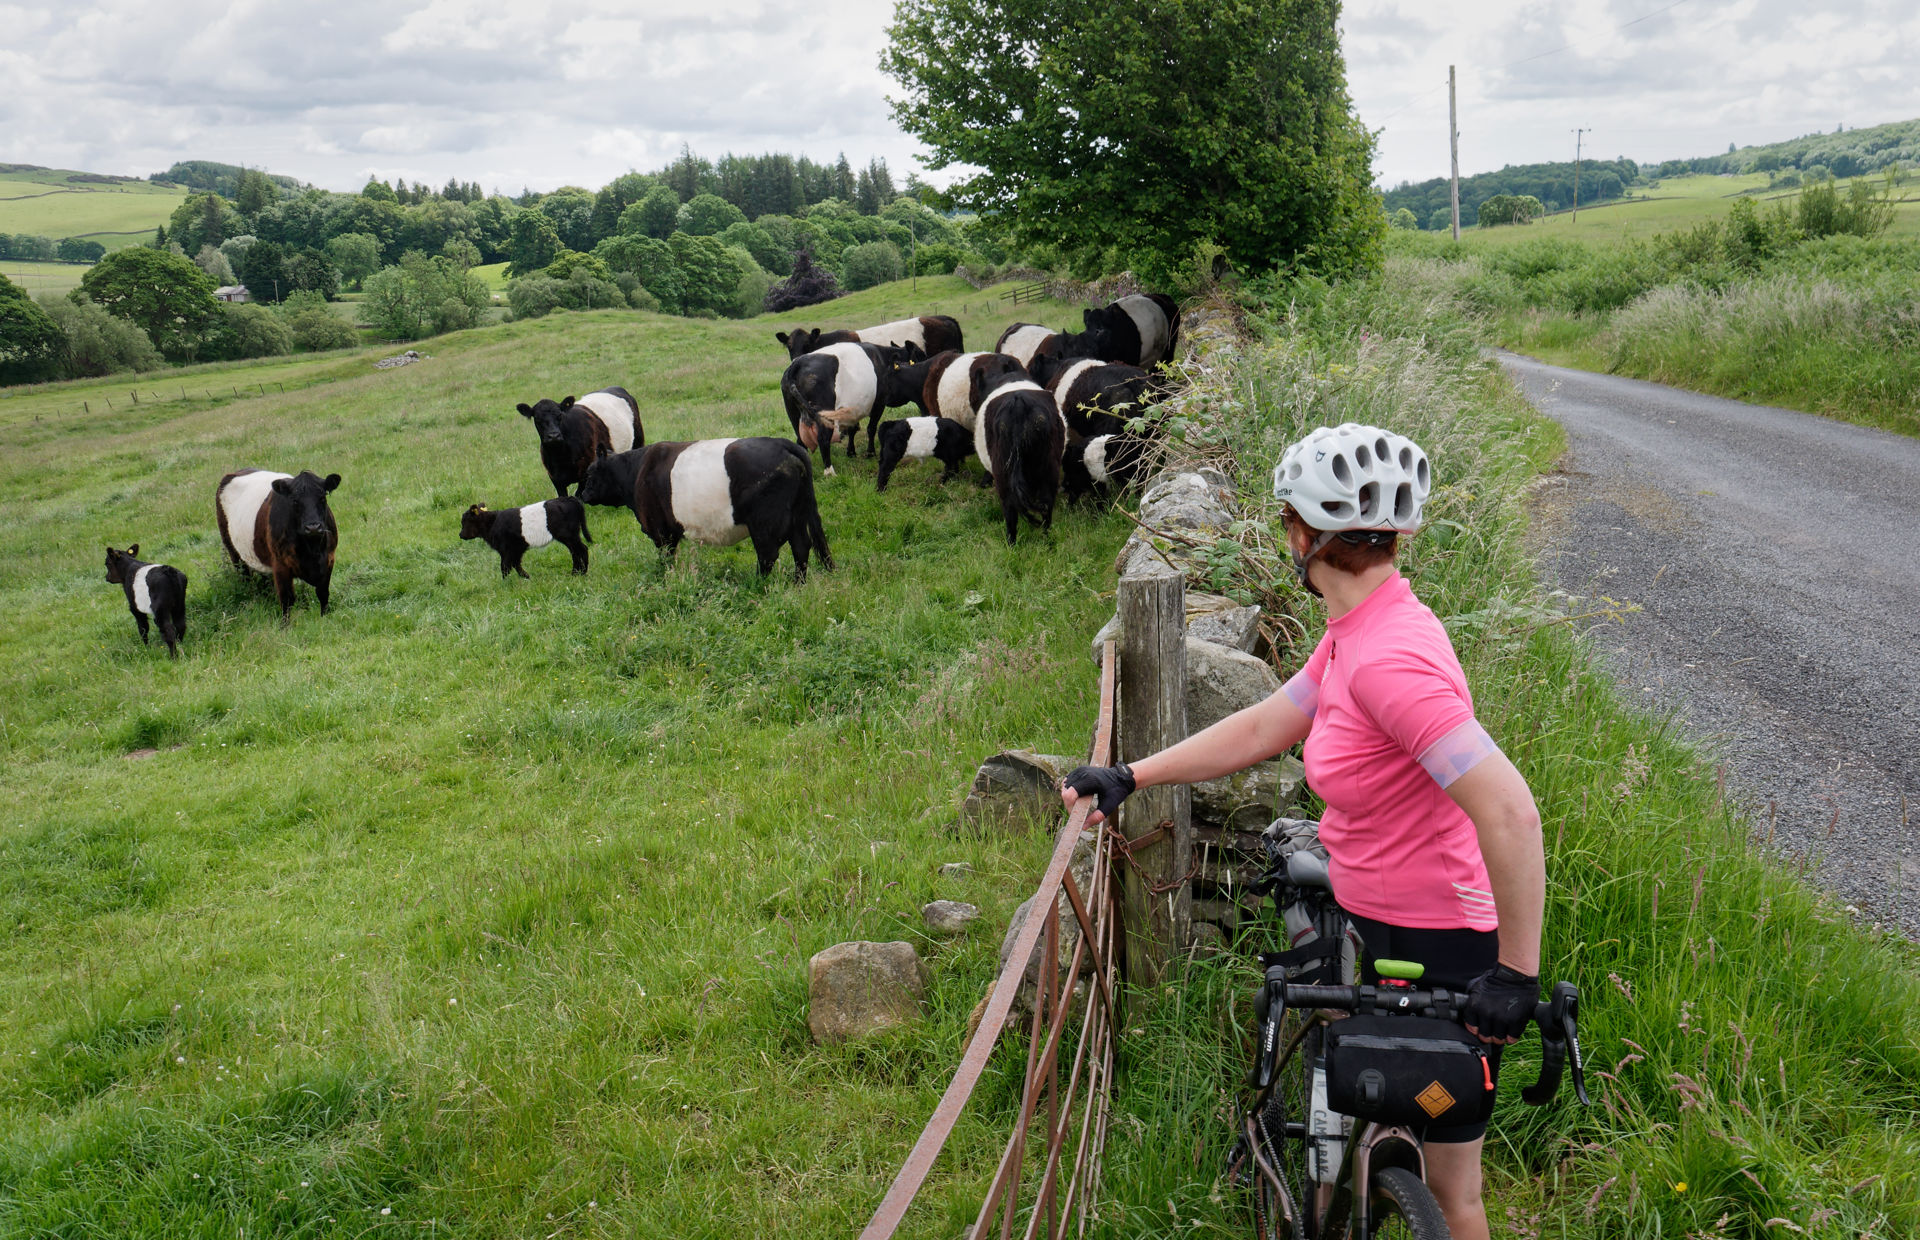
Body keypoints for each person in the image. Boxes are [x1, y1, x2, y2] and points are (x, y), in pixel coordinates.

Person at [1061, 423, 1545, 1240]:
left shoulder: (1391, 660)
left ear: (1302, 534)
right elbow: (1267, 724)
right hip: (1373, 914)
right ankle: (1326, 1202)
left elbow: (1510, 809)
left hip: (1441, 941)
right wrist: (1135, 774)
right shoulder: (1357, 630)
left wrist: (1517, 975)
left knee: (1457, 1193)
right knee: (1348, 1106)